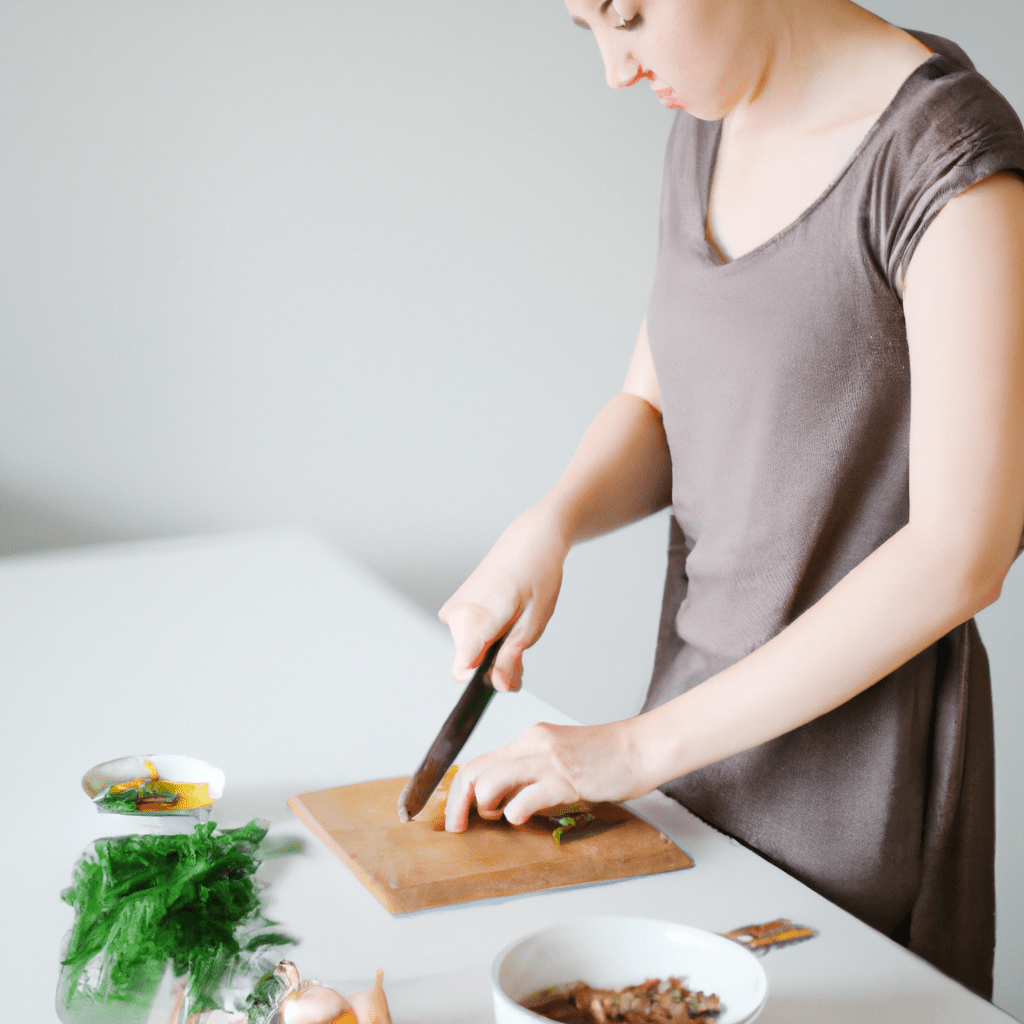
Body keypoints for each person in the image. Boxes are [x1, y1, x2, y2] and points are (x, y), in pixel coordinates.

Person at [437, 0, 1024, 998]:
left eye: (627, 17)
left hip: (857, 804)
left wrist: (628, 749)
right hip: (687, 766)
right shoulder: (701, 119)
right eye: (587, 29)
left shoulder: (947, 156)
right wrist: (551, 525)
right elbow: (657, 406)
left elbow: (962, 552)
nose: (616, 71)